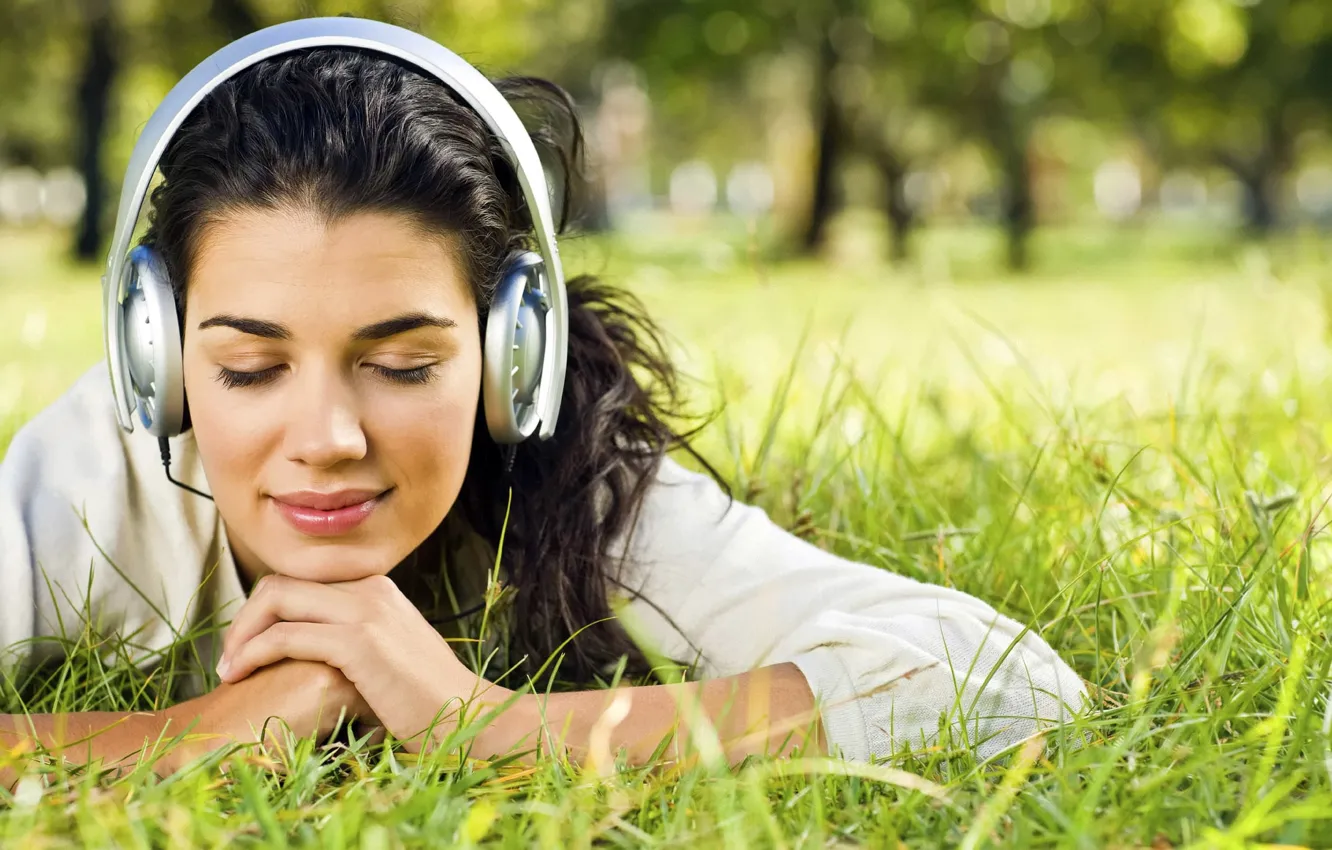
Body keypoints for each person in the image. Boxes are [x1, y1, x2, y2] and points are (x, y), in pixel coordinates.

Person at [0, 19, 1087, 788]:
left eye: (405, 364)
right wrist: (201, 730)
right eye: (248, 369)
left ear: (513, 353)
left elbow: (1010, 683)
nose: (327, 439)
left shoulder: (573, 477)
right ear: (157, 356)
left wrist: (497, 725)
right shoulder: (90, 478)